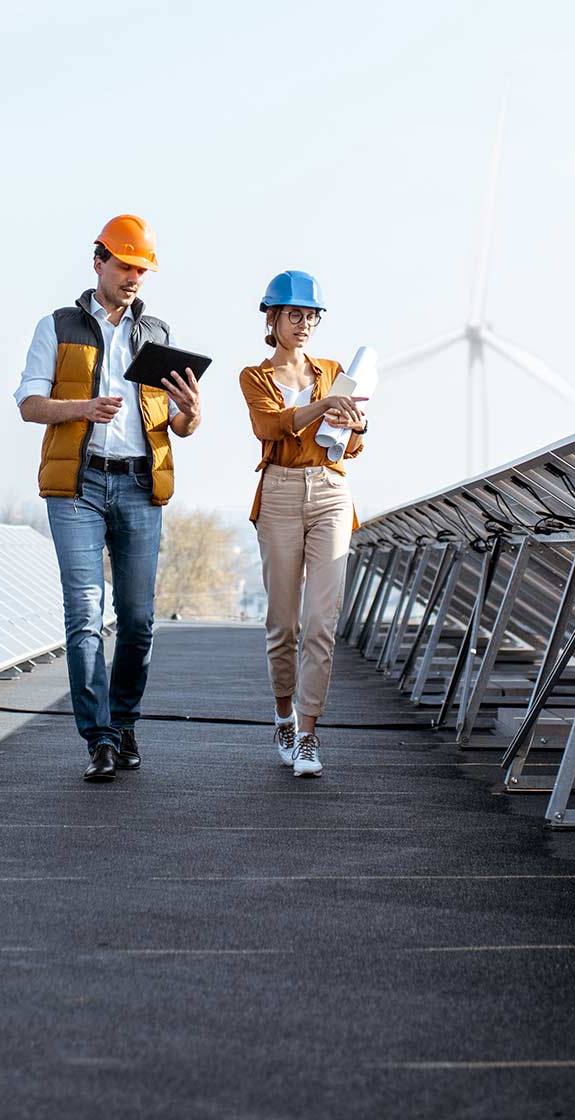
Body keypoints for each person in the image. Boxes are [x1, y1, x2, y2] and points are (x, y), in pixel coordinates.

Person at [14, 215, 202, 782]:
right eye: (125, 266)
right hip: (78, 485)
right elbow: (28, 403)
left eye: (141, 269)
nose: (133, 277)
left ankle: (123, 725)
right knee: (85, 615)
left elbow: (178, 423)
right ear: (98, 261)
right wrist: (81, 409)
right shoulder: (58, 326)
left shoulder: (158, 334)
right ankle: (96, 738)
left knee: (140, 620)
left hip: (142, 484)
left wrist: (192, 413)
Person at [238, 271, 367, 779]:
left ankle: (310, 735)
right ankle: (283, 715)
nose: (305, 323)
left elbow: (351, 444)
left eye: (312, 315)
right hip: (280, 492)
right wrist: (322, 406)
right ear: (273, 318)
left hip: (331, 491)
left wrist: (355, 427)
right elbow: (268, 427)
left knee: (321, 622)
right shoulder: (255, 376)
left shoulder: (334, 371)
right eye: (296, 314)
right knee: (284, 624)